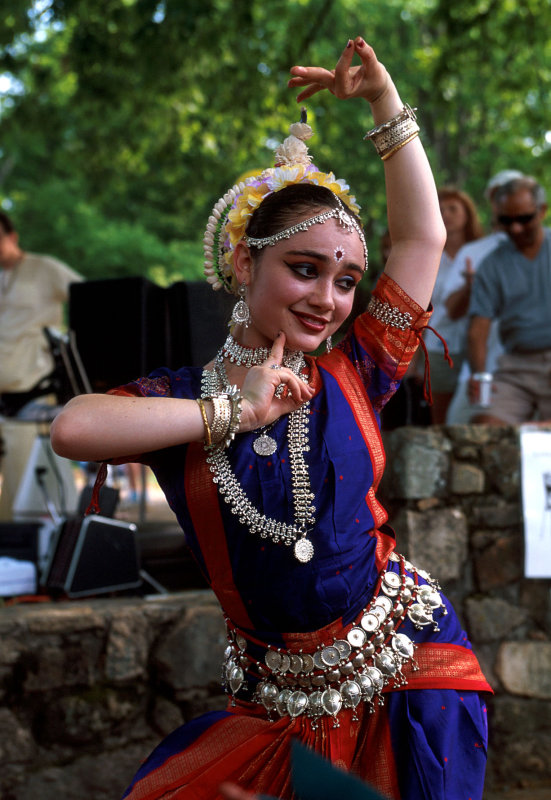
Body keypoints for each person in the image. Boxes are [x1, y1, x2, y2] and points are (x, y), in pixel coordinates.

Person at [51, 36, 491, 800]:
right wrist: (236, 409)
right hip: (276, 699)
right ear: (244, 264)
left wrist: (385, 106)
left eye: (347, 279)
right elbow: (73, 428)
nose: (328, 298)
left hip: (405, 669)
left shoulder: (358, 369)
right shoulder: (179, 400)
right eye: (305, 268)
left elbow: (423, 238)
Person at [0, 211, 82, 518]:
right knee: (6, 506)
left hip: (32, 401)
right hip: (2, 404)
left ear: (12, 236)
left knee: (30, 497)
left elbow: (89, 300)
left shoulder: (44, 269)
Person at [467, 176, 550, 424]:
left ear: (542, 211)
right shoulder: (492, 265)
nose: (515, 228)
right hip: (517, 367)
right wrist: (479, 376)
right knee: (486, 432)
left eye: (524, 219)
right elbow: (477, 331)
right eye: (506, 221)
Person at [442, 170, 523, 424]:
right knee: (458, 429)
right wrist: (470, 288)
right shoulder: (474, 252)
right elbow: (452, 311)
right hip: (481, 370)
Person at [421, 187, 484, 424]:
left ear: (467, 213)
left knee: (477, 414)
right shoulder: (427, 254)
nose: (445, 214)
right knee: (442, 417)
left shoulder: (484, 251)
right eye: (440, 209)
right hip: (440, 345)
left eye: (453, 208)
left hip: (481, 345)